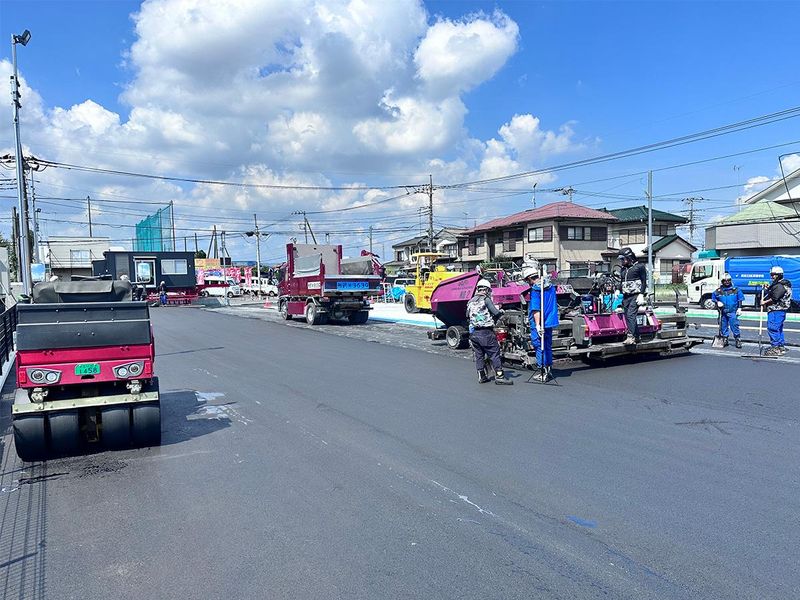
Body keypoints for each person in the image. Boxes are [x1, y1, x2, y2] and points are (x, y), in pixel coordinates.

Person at [467, 279, 512, 385]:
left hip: (474, 334)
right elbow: (496, 313)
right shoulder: (486, 300)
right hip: (486, 333)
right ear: (486, 290)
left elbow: (467, 316)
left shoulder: (470, 301)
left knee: (479, 355)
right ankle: (500, 376)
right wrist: (502, 313)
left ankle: (481, 376)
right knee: (494, 353)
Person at [522, 266, 558, 382]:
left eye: (527, 281)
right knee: (547, 345)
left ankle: (543, 372)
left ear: (529, 279)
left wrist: (537, 325)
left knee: (539, 346)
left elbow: (536, 309)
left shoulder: (536, 290)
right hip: (549, 321)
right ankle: (548, 369)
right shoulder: (550, 287)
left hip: (539, 322)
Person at [617, 247, 647, 345]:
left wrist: (641, 294)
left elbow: (644, 282)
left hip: (635, 295)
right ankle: (637, 336)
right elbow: (621, 281)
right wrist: (618, 290)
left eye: (623, 259)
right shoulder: (623, 269)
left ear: (629, 257)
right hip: (626, 296)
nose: (622, 261)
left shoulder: (639, 267)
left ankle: (631, 336)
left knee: (631, 315)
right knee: (627, 316)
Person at [761, 265, 792, 356]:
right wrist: (768, 288)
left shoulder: (780, 286)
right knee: (778, 328)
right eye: (771, 274)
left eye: (773, 275)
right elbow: (774, 292)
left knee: (773, 328)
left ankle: (775, 347)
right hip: (780, 310)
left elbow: (775, 297)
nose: (772, 276)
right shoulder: (782, 284)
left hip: (776, 309)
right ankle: (781, 346)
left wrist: (764, 302)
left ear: (779, 275)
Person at [711, 273, 744, 348]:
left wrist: (739, 308)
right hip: (722, 312)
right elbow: (713, 297)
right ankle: (725, 339)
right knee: (723, 326)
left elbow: (740, 299)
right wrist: (717, 302)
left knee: (734, 326)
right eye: (725, 281)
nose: (727, 282)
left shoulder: (735, 290)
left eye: (728, 280)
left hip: (732, 311)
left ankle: (737, 339)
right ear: (722, 281)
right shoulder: (718, 291)